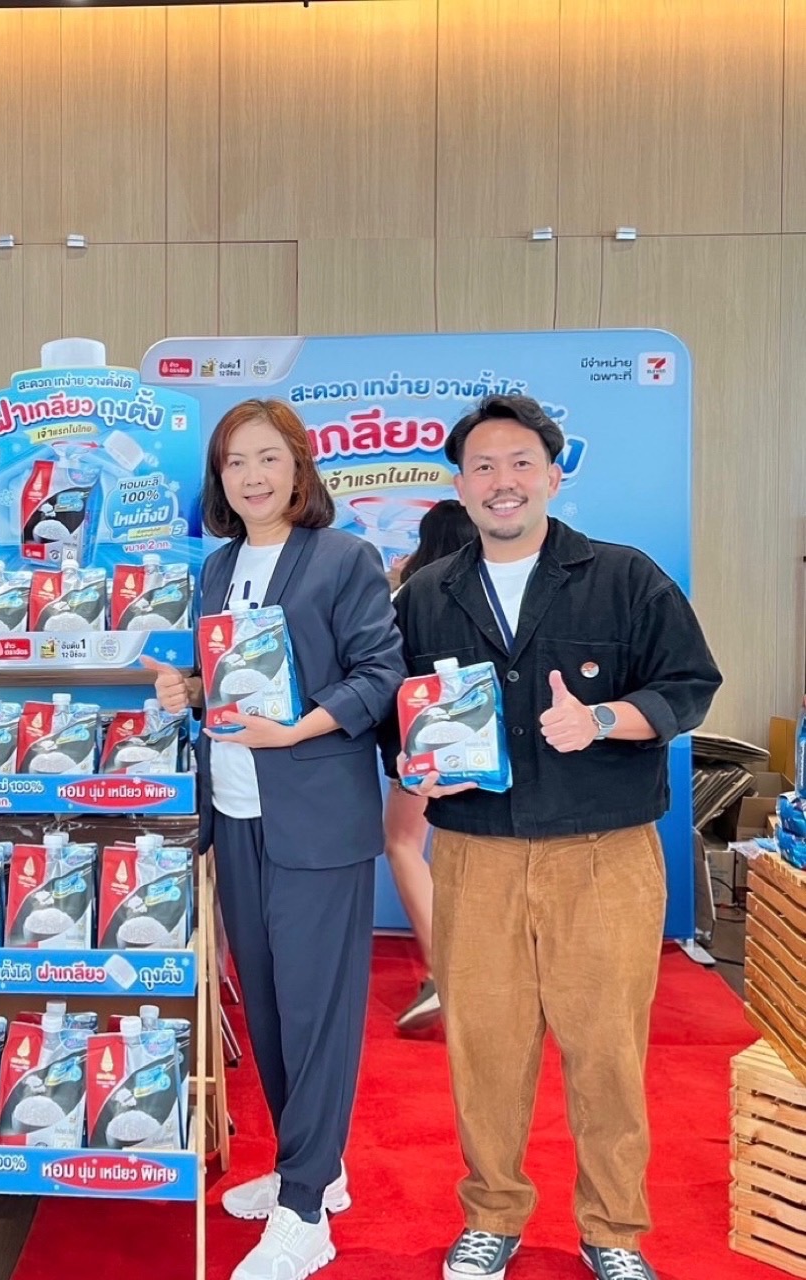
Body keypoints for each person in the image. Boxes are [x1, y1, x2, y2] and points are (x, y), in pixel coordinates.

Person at [392, 395, 721, 1280]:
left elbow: (688, 684)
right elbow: (395, 716)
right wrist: (417, 767)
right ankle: (491, 1215)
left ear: (551, 475)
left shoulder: (623, 576)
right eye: (483, 467)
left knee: (605, 1050)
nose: (502, 482)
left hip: (601, 853)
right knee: (484, 1048)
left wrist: (604, 717)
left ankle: (612, 1230)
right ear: (460, 485)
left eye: (520, 464)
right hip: (475, 853)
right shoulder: (425, 594)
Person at [144, 398, 404, 1280]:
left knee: (315, 1011)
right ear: (218, 480)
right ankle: (313, 1167)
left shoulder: (342, 559)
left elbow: (380, 674)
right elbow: (221, 680)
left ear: (298, 466)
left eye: (266, 458)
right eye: (234, 463)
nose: (251, 477)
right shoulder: (217, 568)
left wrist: (294, 731)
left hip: (316, 818)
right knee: (265, 1005)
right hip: (236, 812)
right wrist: (185, 691)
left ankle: (304, 1211)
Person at [384, 500, 476, 1033]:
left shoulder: (412, 595)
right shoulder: (485, 589)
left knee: (402, 842)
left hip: (423, 741)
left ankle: (447, 972)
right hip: (481, 740)